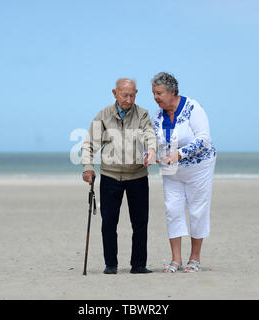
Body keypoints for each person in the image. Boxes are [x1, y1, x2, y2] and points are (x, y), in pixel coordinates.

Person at [81, 78, 157, 274]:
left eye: (132, 95)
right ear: (115, 93)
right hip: (110, 176)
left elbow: (149, 136)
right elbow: (89, 144)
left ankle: (139, 265)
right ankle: (111, 265)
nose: (129, 100)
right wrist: (88, 167)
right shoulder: (103, 115)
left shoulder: (142, 114)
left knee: (140, 222)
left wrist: (151, 151)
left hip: (137, 176)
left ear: (136, 93)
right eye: (124, 95)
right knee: (109, 222)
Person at [150, 72, 217, 273]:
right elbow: (153, 141)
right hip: (171, 172)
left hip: (199, 169)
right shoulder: (157, 116)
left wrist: (179, 154)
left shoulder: (193, 108)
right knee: (172, 210)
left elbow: (203, 139)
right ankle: (175, 259)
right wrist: (149, 153)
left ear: (172, 92)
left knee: (197, 210)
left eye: (159, 93)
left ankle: (194, 258)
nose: (156, 97)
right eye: (153, 93)